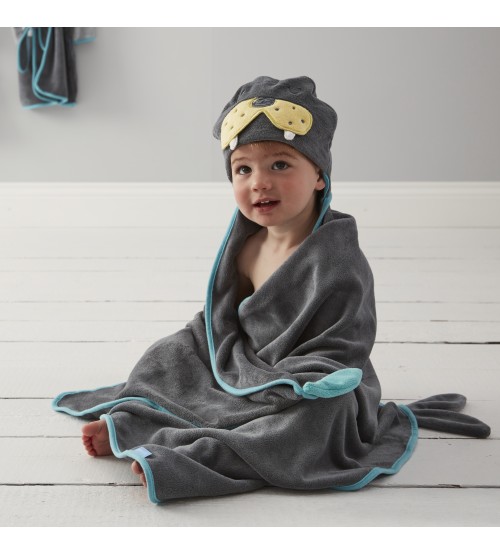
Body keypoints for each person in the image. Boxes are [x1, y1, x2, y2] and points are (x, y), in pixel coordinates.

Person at [55, 76, 490, 504]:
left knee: (324, 418)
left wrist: (300, 385)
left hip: (312, 381)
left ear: (319, 175)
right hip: (243, 363)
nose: (259, 182)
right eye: (243, 169)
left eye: (280, 165)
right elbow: (221, 318)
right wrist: (209, 346)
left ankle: (202, 457)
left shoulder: (337, 259)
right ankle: (132, 422)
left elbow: (345, 345)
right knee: (169, 353)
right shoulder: (247, 246)